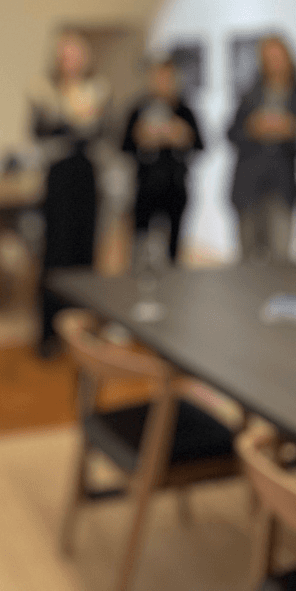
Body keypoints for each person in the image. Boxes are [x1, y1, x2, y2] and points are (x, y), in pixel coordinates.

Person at [30, 29, 111, 359]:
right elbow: (40, 132)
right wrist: (71, 123)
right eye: (66, 55)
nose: (72, 61)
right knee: (56, 256)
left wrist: (76, 125)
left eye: (77, 55)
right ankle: (50, 332)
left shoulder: (99, 90)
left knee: (84, 255)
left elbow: (102, 133)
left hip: (86, 178)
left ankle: (84, 328)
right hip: (59, 179)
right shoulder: (43, 92)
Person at [227, 35, 296, 263]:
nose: (274, 63)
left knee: (280, 258)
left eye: (277, 57)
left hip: (281, 186)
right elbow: (230, 133)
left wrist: (292, 130)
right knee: (247, 258)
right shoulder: (250, 94)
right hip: (248, 186)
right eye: (268, 58)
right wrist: (252, 128)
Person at [122, 57, 204, 266]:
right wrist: (142, 138)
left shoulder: (184, 111)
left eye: (167, 78)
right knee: (141, 241)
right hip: (145, 186)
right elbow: (124, 146)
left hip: (175, 185)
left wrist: (180, 136)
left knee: (174, 244)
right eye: (158, 78)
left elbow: (200, 145)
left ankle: (173, 279)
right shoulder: (138, 110)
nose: (162, 83)